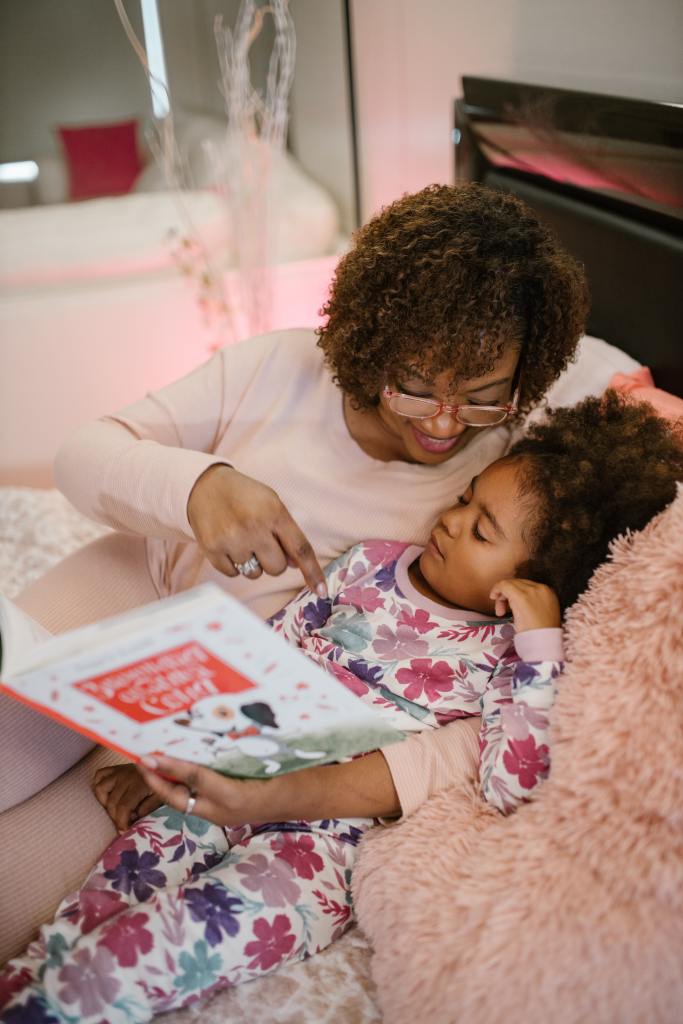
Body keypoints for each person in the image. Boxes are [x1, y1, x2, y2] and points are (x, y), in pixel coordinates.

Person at [0, 183, 589, 963]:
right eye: (413, 384)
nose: (445, 423)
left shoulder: (503, 466)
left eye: (481, 398)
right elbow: (83, 455)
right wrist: (199, 485)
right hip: (133, 583)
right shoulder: (278, 367)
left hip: (226, 710)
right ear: (369, 339)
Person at [2, 393, 681, 1023]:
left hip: (319, 847)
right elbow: (264, 657)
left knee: (156, 954)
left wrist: (538, 646)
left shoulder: (509, 661)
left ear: (531, 577)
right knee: (101, 902)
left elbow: (512, 784)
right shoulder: (367, 565)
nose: (449, 520)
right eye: (465, 498)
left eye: (481, 531)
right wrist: (161, 757)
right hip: (235, 769)